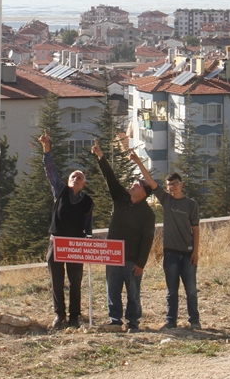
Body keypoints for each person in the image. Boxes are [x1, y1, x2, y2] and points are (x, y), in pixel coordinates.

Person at [129, 148, 201, 329]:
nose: (172, 187)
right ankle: (171, 321)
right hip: (170, 254)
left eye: (175, 183)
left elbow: (196, 229)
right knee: (171, 291)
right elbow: (151, 182)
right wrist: (138, 162)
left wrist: (196, 252)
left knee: (191, 290)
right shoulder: (166, 200)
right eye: (169, 185)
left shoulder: (191, 204)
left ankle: (194, 320)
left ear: (181, 184)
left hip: (188, 254)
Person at [91, 137, 156, 332]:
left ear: (143, 193)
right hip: (113, 256)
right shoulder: (120, 199)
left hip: (132, 260)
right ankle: (115, 320)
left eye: (137, 185)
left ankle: (133, 322)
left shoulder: (147, 213)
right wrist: (100, 156)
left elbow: (148, 239)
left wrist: (141, 263)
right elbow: (110, 178)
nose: (133, 185)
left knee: (133, 293)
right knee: (113, 290)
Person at [40, 130, 93, 329]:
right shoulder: (60, 191)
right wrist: (47, 148)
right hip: (57, 242)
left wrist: (87, 243)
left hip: (76, 245)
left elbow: (88, 225)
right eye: (73, 176)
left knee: (75, 282)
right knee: (57, 281)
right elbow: (50, 170)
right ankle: (59, 315)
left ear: (84, 183)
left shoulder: (87, 201)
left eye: (79, 177)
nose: (75, 179)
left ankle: (74, 317)